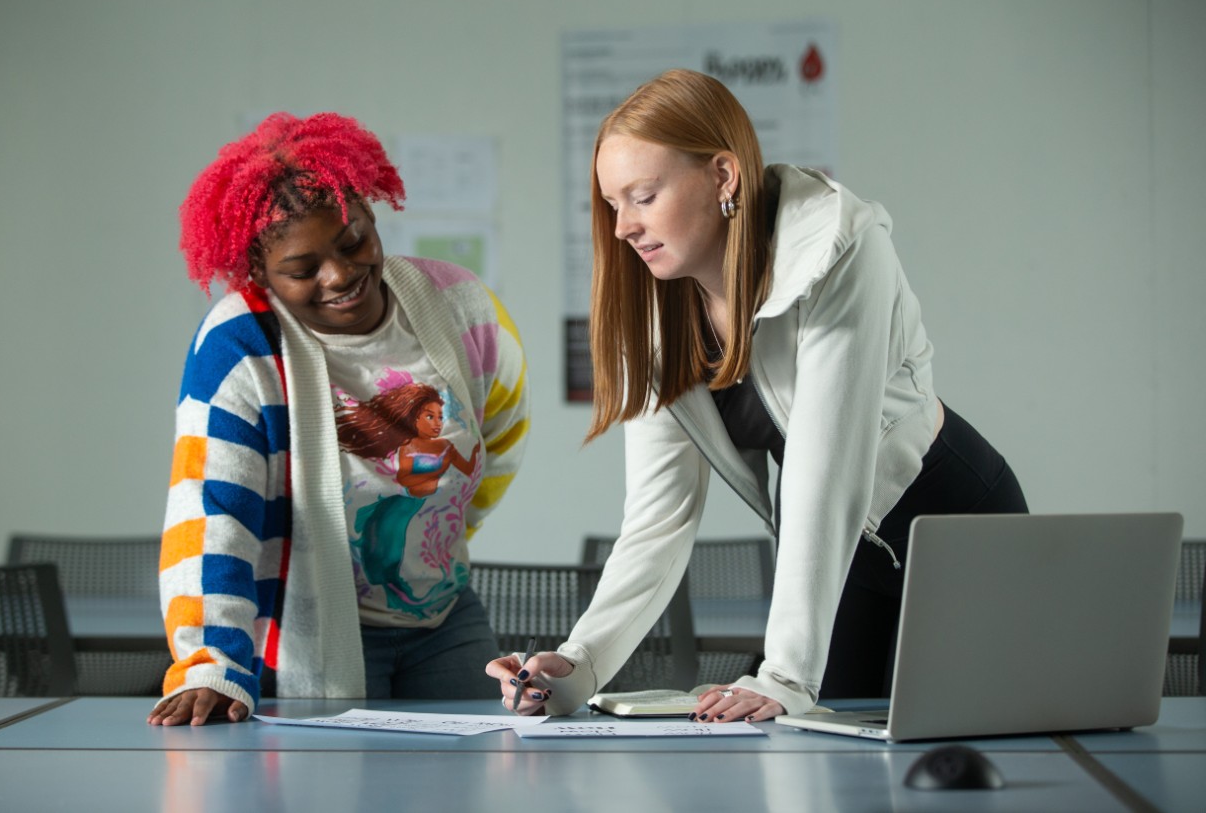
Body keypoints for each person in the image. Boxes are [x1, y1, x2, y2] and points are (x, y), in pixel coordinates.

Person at [487, 69, 1026, 723]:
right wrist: (578, 665)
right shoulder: (658, 316)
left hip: (958, 530)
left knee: (970, 748)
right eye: (611, 204)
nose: (623, 226)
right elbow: (659, 517)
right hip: (844, 556)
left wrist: (786, 674)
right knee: (827, 756)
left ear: (723, 175)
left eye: (644, 196)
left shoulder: (840, 246)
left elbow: (827, 467)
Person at [148, 112, 530, 726]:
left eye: (353, 242)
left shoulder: (461, 305)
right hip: (313, 625)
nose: (340, 275)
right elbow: (213, 511)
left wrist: (434, 537)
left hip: (444, 613)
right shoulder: (240, 343)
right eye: (303, 270)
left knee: (479, 763)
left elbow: (503, 439)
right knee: (328, 774)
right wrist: (209, 663)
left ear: (371, 215)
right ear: (260, 273)